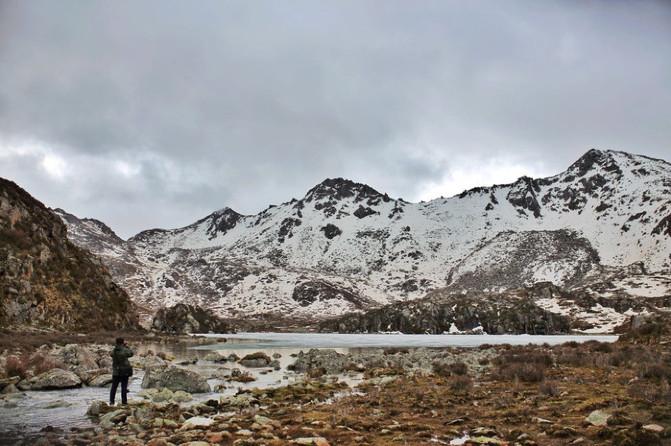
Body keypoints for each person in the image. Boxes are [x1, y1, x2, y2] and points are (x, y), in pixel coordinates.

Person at [110, 337, 133, 405]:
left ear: (116, 343)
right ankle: (124, 402)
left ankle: (111, 402)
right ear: (123, 342)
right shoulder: (125, 350)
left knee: (114, 387)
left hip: (116, 372)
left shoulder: (114, 350)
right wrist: (127, 347)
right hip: (124, 371)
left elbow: (111, 354)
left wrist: (116, 347)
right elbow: (131, 353)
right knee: (124, 387)